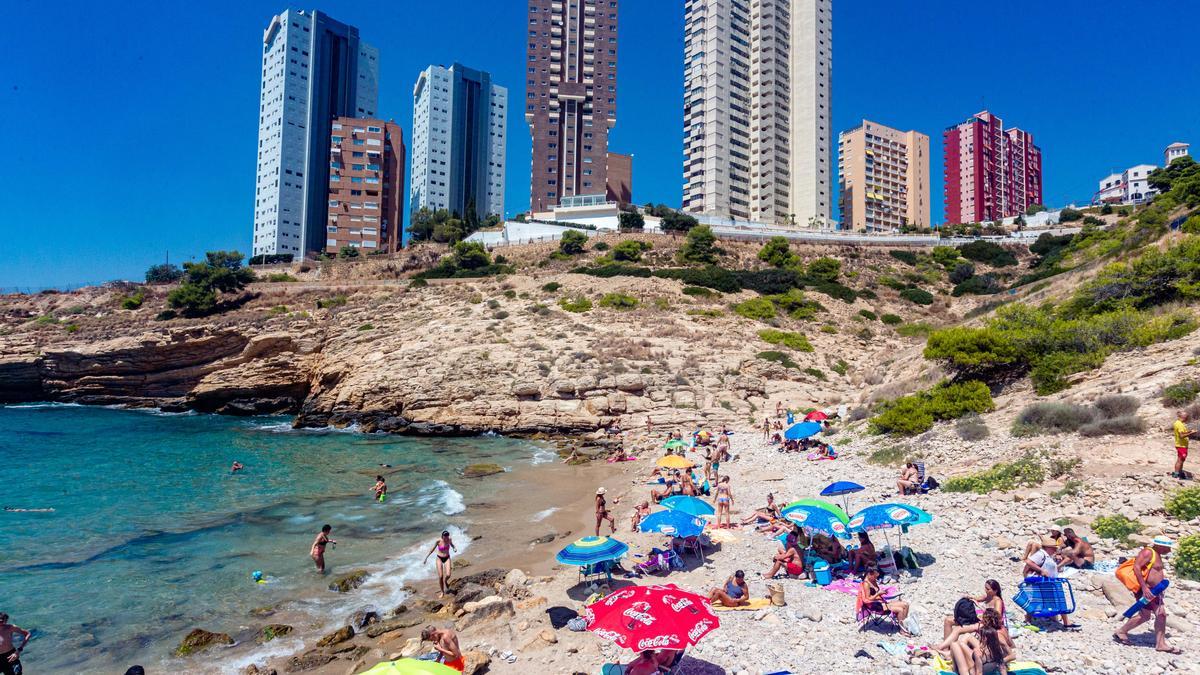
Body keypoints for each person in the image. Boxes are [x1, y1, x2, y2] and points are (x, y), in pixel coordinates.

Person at [1114, 537, 1180, 654]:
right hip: (1148, 590)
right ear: (1160, 546)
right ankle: (1161, 644)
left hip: (1154, 591)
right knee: (1161, 614)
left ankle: (1121, 631)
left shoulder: (1156, 554)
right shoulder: (1148, 552)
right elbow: (1137, 567)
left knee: (1145, 615)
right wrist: (1144, 587)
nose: (1169, 551)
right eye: (1167, 548)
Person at [1023, 536, 1077, 628]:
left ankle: (1066, 622)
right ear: (1048, 547)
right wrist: (1041, 571)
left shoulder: (1049, 556)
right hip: (1040, 581)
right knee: (1036, 600)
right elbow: (1029, 561)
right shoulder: (1041, 554)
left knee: (1058, 598)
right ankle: (1028, 619)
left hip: (1050, 581)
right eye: (1053, 548)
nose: (1055, 550)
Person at [938, 580, 1005, 651]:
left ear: (995, 591)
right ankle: (945, 649)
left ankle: (942, 648)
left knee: (958, 629)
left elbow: (997, 616)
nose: (985, 590)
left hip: (989, 624)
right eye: (985, 588)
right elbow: (976, 598)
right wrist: (968, 597)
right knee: (948, 620)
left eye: (988, 589)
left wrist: (980, 607)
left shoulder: (997, 601)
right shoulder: (988, 596)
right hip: (981, 619)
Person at [859, 568, 911, 635]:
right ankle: (902, 630)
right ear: (869, 574)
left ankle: (904, 625)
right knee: (900, 609)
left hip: (880, 602)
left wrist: (882, 592)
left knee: (906, 604)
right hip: (875, 606)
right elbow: (868, 599)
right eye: (875, 576)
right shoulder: (866, 584)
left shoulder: (871, 581)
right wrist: (878, 594)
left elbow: (875, 593)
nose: (876, 578)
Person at [423, 530, 458, 598]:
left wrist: (454, 548)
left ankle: (445, 581)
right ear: (442, 536)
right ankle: (442, 592)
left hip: (447, 558)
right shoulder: (438, 541)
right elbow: (432, 550)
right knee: (440, 576)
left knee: (448, 574)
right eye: (445, 536)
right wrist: (426, 558)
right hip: (439, 558)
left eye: (447, 536)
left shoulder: (449, 539)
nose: (447, 538)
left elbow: (452, 545)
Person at [1172, 410, 1196, 479]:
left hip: (1182, 445)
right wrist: (1191, 433)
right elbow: (1181, 436)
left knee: (1182, 459)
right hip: (1181, 445)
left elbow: (1183, 433)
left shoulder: (1179, 423)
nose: (1187, 418)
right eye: (1187, 417)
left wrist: (1189, 431)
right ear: (1184, 417)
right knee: (1180, 459)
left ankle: (1180, 473)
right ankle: (1176, 474)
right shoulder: (1179, 424)